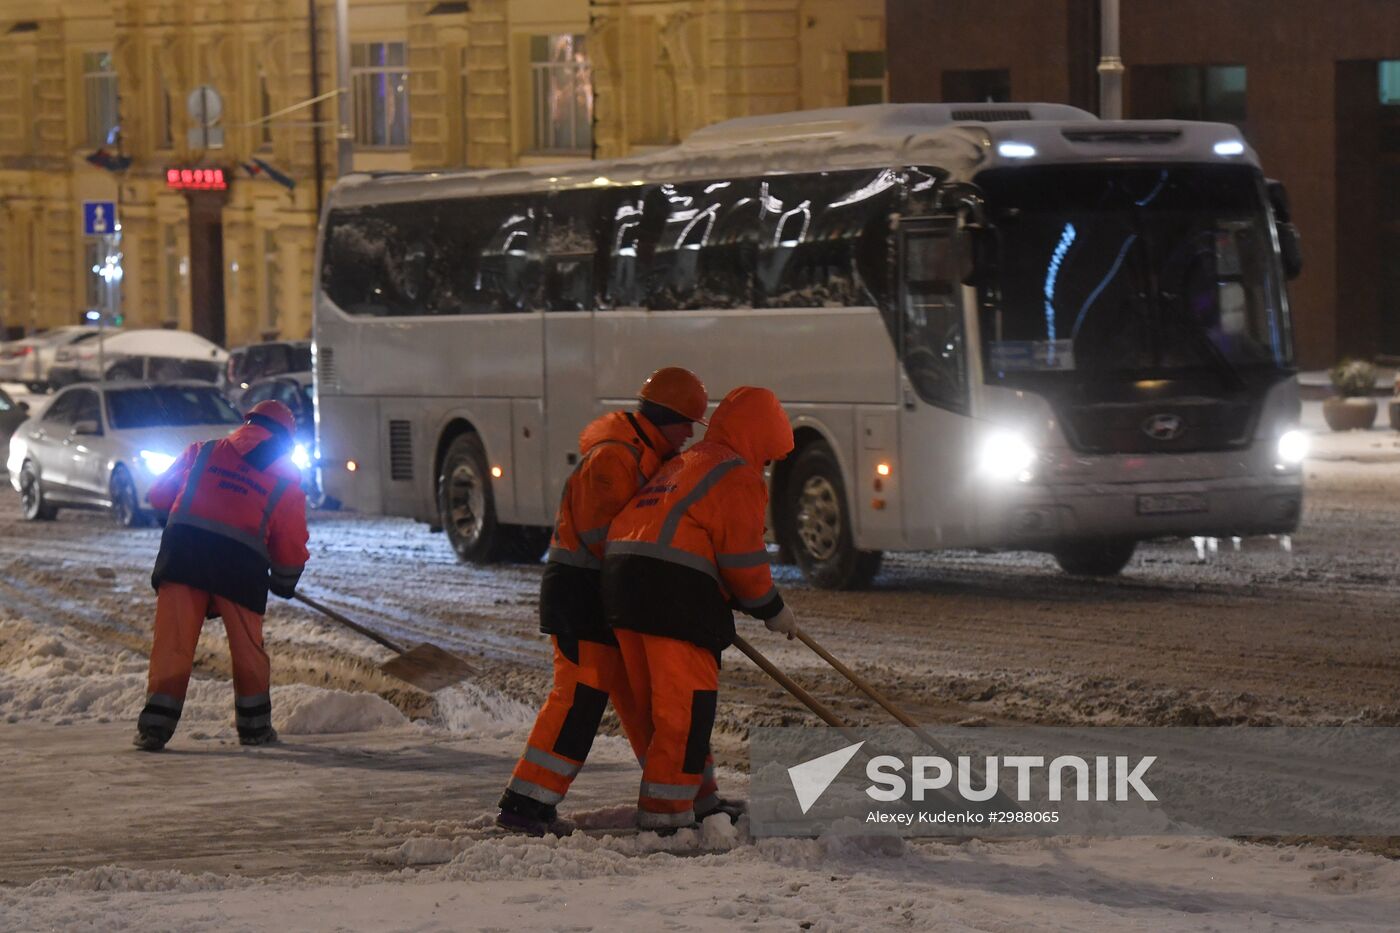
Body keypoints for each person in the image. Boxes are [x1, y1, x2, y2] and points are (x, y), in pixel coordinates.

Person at [498, 367, 709, 836]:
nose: (690, 435)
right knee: (578, 699)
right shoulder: (617, 458)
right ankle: (525, 805)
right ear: (667, 418)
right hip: (581, 592)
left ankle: (681, 793)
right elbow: (603, 537)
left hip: (604, 592)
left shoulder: (643, 454)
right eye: (687, 424)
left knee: (633, 701)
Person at [602, 386, 797, 832]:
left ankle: (701, 801)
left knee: (667, 709)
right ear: (758, 438)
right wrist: (772, 609)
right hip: (672, 593)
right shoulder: (737, 475)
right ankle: (665, 818)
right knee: (685, 711)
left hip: (621, 585)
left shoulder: (689, 462)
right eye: (768, 456)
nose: (766, 466)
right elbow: (744, 562)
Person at [133, 399, 310, 752]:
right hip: (240, 566)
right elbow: (290, 538)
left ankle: (154, 727)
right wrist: (285, 579)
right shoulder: (286, 475)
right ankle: (255, 729)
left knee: (173, 643)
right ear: (285, 439)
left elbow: (157, 495)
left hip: (185, 553)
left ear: (247, 423)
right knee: (248, 649)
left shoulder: (202, 451)